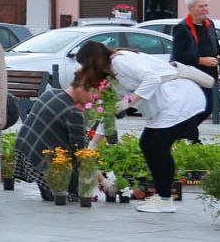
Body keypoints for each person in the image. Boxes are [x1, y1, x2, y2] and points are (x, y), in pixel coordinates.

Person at [72, 40, 206, 214]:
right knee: (147, 144)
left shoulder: (120, 61)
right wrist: (93, 146)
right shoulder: (111, 75)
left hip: (179, 100)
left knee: (159, 145)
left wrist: (127, 102)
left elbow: (152, 78)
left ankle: (165, 199)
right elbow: (109, 112)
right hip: (165, 107)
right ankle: (161, 195)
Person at [11, 83, 95, 201]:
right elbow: (81, 153)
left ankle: (50, 187)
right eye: (93, 95)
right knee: (76, 193)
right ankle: (56, 188)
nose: (92, 100)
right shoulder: (74, 113)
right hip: (41, 163)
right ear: (82, 88)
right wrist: (102, 181)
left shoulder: (50, 93)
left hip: (24, 152)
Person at [170, 0, 220, 141]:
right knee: (198, 107)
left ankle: (182, 133)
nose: (205, 9)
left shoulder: (209, 24)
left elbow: (215, 45)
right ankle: (192, 138)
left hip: (208, 73)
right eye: (201, 6)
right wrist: (201, 60)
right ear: (191, 8)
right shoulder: (182, 28)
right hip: (191, 74)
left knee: (208, 108)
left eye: (206, 5)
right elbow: (179, 55)